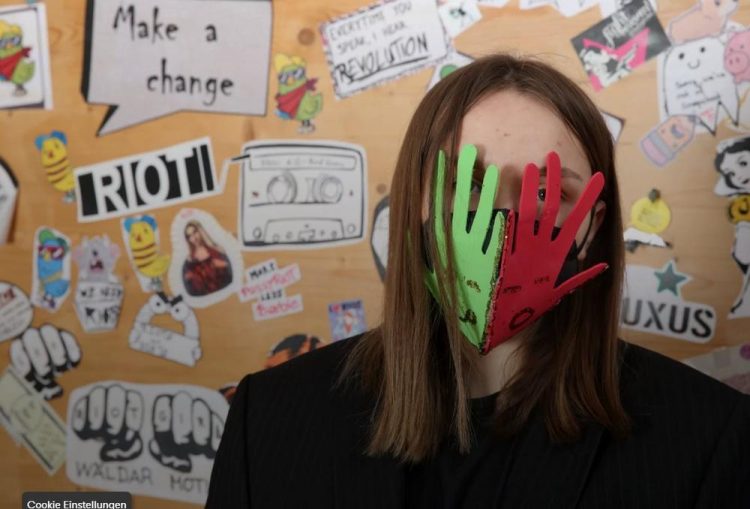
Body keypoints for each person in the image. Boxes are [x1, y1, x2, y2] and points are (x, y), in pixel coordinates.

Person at [206, 54, 750, 508]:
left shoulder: (706, 436)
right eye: (468, 182)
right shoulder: (271, 419)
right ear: (415, 205)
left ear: (592, 227)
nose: (503, 221)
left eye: (548, 193)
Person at [182, 220, 232, 296]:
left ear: (200, 231)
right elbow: (192, 288)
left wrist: (225, 264)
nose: (194, 238)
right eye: (189, 236)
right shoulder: (190, 260)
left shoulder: (216, 250)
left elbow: (232, 268)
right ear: (188, 239)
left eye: (195, 232)